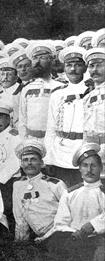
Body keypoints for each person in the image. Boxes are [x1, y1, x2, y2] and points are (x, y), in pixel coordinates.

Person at [41, 144, 105, 261]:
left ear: (101, 168)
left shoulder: (103, 192)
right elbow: (61, 223)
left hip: (99, 238)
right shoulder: (70, 193)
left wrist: (93, 225)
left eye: (93, 165)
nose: (89, 170)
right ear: (80, 169)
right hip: (74, 238)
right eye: (85, 166)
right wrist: (74, 234)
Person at [44, 46, 88, 186]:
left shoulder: (92, 91)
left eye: (78, 65)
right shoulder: (57, 94)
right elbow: (51, 128)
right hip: (61, 153)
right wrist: (48, 158)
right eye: (69, 65)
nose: (73, 69)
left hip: (84, 150)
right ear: (64, 68)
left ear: (85, 68)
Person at [12, 140, 67, 242]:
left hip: (58, 235)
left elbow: (68, 213)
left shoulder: (55, 184)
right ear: (21, 164)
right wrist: (20, 244)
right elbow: (20, 219)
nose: (29, 163)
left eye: (33, 159)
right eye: (25, 160)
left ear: (41, 163)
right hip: (39, 238)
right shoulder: (18, 186)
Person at [18, 42, 65, 141]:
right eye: (35, 58)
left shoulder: (61, 86)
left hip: (54, 140)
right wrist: (24, 142)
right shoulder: (27, 89)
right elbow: (22, 120)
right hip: (32, 139)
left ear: (51, 60)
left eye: (42, 57)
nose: (37, 62)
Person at [82, 48, 105, 163]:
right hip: (93, 150)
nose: (95, 70)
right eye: (91, 66)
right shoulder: (87, 97)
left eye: (100, 65)